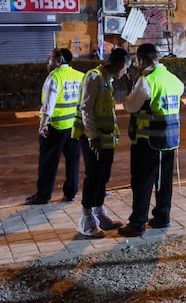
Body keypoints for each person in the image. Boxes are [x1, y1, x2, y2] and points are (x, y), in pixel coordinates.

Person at [118, 44, 184, 237]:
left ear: (141, 60)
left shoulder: (146, 81)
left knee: (142, 183)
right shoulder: (173, 80)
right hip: (170, 140)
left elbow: (130, 106)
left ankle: (137, 223)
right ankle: (162, 217)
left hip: (146, 142)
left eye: (137, 60)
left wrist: (129, 89)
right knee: (164, 182)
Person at [72, 49, 131, 238]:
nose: (126, 72)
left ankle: (99, 213)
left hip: (106, 139)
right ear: (121, 64)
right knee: (94, 176)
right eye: (127, 68)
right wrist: (93, 137)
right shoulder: (94, 77)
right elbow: (86, 108)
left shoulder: (107, 79)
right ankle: (86, 220)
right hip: (94, 139)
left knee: (103, 176)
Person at [25, 48, 83, 205]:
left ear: (59, 61)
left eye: (50, 58)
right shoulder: (80, 76)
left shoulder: (54, 77)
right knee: (73, 160)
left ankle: (43, 196)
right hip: (74, 126)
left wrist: (42, 125)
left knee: (48, 162)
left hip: (55, 127)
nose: (47, 61)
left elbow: (48, 106)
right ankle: (70, 193)